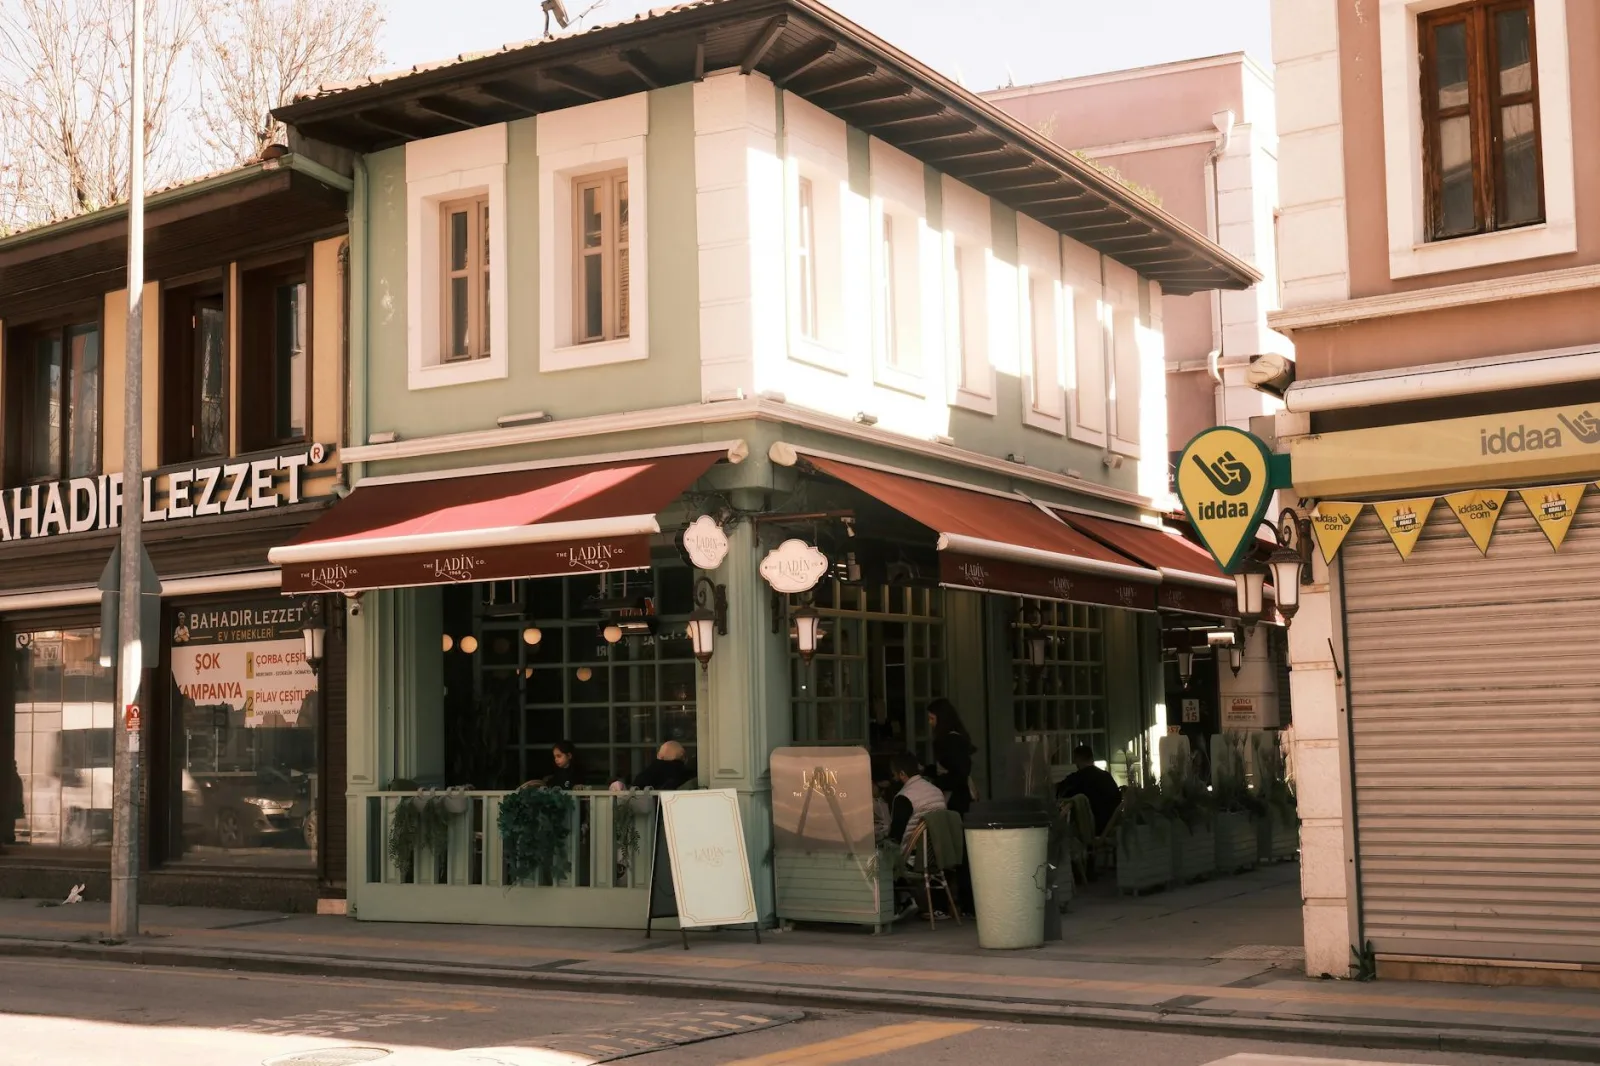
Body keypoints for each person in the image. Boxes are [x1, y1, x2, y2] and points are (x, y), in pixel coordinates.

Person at [1056, 743, 1122, 835]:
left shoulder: (1076, 779)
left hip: (1090, 830)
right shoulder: (1107, 777)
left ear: (1077, 759)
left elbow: (1059, 794)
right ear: (1092, 758)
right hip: (1112, 827)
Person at [924, 699, 976, 815]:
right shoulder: (953, 739)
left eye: (932, 718)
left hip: (955, 798)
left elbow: (959, 773)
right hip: (956, 796)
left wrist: (937, 782)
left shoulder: (951, 741)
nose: (930, 722)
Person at [886, 751, 945, 847]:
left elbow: (896, 837)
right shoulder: (937, 791)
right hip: (939, 852)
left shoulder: (904, 797)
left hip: (913, 856)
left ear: (902, 774)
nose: (893, 779)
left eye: (894, 775)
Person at [612, 740, 695, 792]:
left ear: (660, 756)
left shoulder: (652, 771)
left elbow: (636, 789)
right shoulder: (690, 775)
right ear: (684, 758)